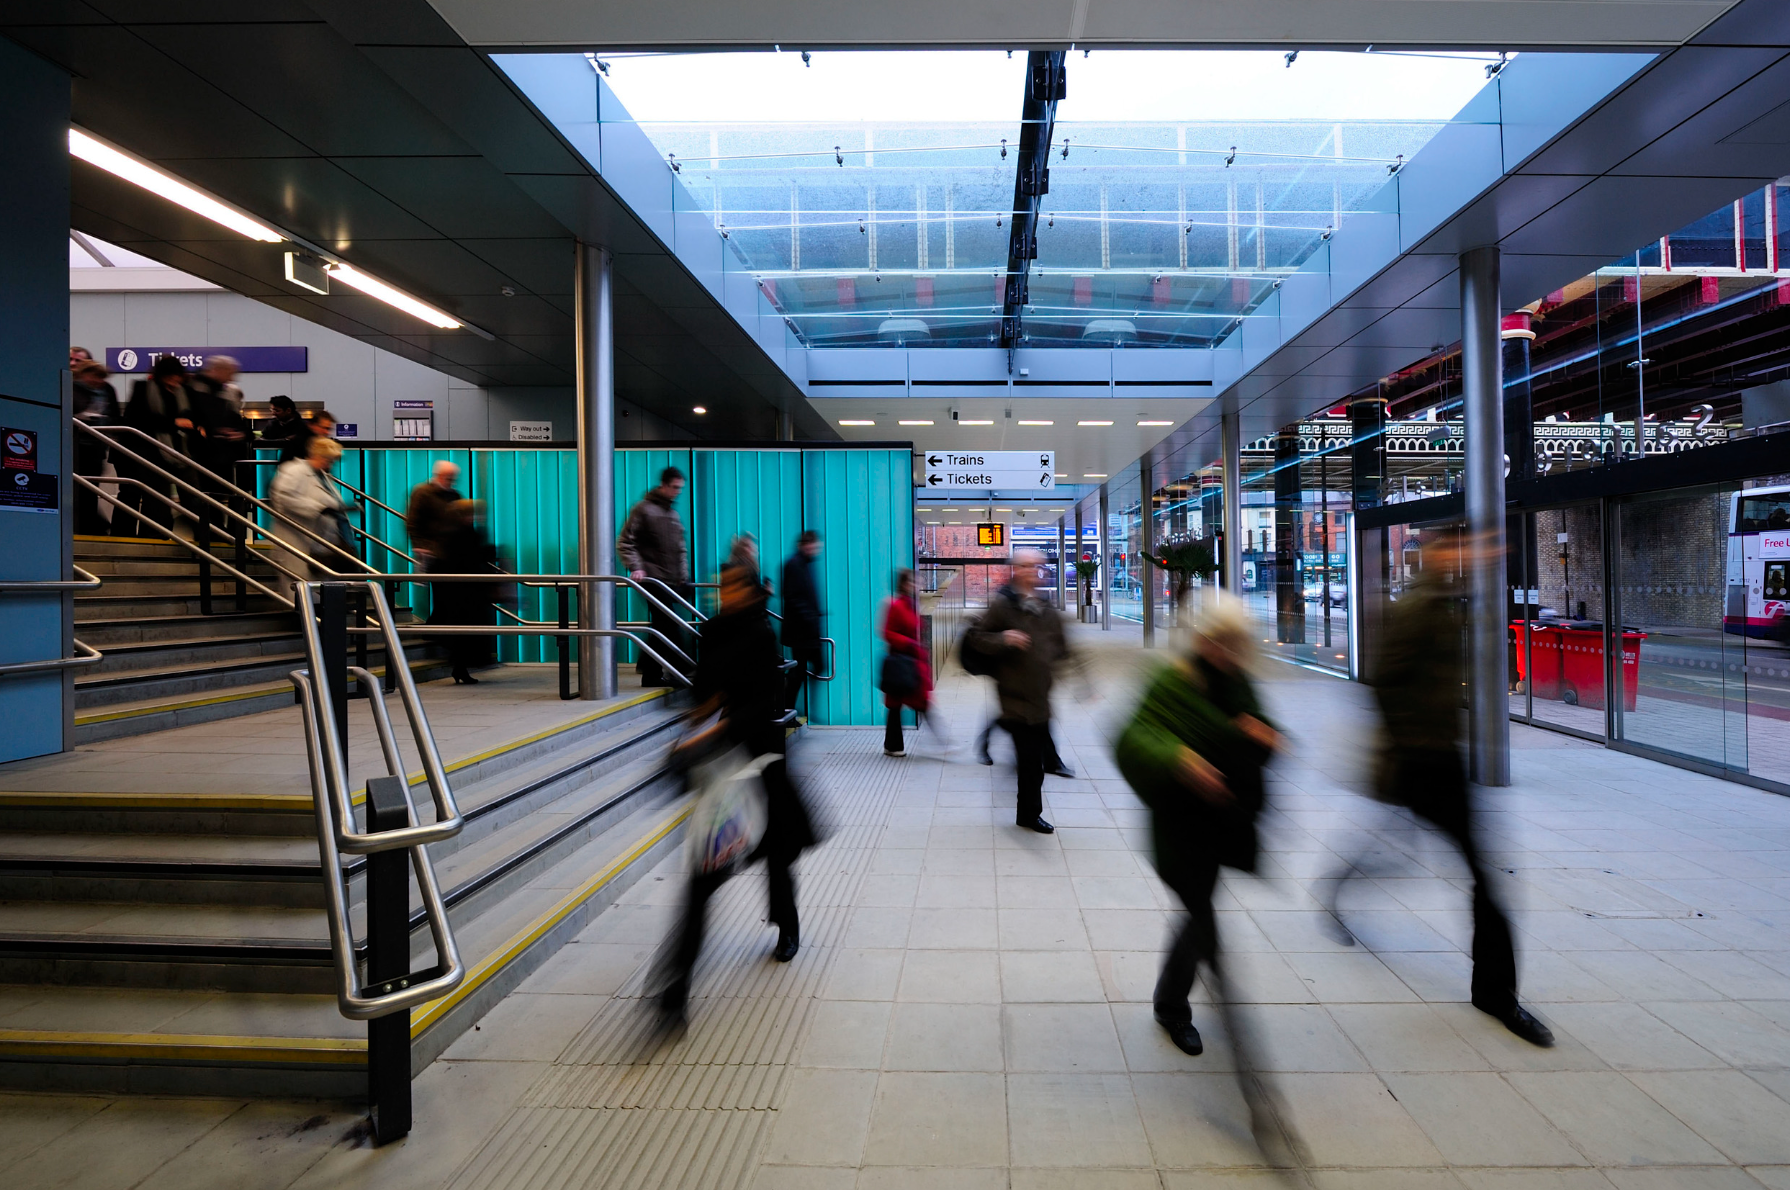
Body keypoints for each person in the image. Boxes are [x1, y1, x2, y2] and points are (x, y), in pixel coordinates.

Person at [1328, 533, 1554, 1048]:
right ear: (1439, 556)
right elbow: (1382, 682)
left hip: (1436, 761)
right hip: (1423, 762)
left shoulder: (1450, 603)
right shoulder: (1417, 609)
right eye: (1472, 548)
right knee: (1481, 875)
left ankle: (1337, 886)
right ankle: (1496, 996)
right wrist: (1412, 748)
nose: (1484, 556)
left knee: (1449, 863)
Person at [654, 561, 817, 1021]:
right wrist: (694, 725)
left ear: (750, 590)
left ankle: (787, 926)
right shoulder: (712, 631)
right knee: (702, 882)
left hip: (760, 765)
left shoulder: (764, 634)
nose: (723, 594)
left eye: (731, 586)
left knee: (777, 857)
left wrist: (711, 732)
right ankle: (674, 988)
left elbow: (764, 704)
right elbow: (704, 691)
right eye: (720, 586)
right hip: (722, 776)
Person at [1117, 595, 1278, 1057]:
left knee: (1198, 915)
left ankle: (1171, 1001)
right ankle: (1178, 1009)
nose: (1229, 651)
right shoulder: (1171, 682)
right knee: (1203, 921)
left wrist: (1263, 734)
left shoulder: (1236, 682)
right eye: (1221, 641)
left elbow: (1260, 725)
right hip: (1180, 826)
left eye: (1236, 642)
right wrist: (1178, 759)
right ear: (1203, 638)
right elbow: (1132, 739)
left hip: (1221, 823)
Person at [963, 547, 1069, 833]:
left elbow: (1062, 647)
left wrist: (1074, 675)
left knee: (1034, 759)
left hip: (1039, 696)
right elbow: (976, 638)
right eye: (1025, 566)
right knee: (1031, 761)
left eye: (1037, 566)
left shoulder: (1046, 608)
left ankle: (1028, 811)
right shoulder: (1002, 605)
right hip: (1014, 697)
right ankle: (1029, 814)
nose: (1032, 571)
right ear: (1015, 569)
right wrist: (1004, 638)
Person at [618, 466, 691, 687]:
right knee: (668, 623)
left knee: (661, 624)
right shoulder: (644, 509)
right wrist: (636, 567)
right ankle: (682, 669)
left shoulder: (672, 515)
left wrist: (683, 576)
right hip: (651, 578)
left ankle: (649, 670)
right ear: (664, 485)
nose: (678, 492)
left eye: (680, 488)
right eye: (675, 487)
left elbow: (680, 549)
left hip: (670, 580)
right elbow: (625, 541)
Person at [120, 355, 197, 529]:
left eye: (177, 376)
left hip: (181, 452)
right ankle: (157, 535)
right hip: (151, 452)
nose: (174, 380)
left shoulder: (185, 391)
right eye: (170, 376)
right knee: (157, 499)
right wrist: (174, 423)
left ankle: (201, 534)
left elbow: (194, 417)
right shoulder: (143, 389)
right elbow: (137, 420)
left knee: (193, 495)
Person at [428, 500, 500, 685]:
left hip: (457, 591)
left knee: (462, 633)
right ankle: (460, 668)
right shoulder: (462, 534)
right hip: (464, 592)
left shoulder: (448, 532)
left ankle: (460, 668)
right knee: (465, 631)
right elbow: (470, 557)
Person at [268, 435, 351, 583]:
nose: (330, 464)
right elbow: (282, 497)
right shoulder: (295, 470)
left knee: (316, 593)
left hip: (319, 545)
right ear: (318, 456)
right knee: (300, 592)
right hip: (297, 542)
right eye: (328, 460)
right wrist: (319, 509)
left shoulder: (322, 476)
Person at [186, 355, 251, 534]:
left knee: (219, 495)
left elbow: (241, 425)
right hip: (206, 455)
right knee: (209, 495)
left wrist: (240, 433)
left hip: (221, 456)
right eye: (230, 373)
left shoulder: (219, 391)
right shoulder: (196, 390)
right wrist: (217, 432)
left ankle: (218, 531)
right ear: (218, 370)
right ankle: (211, 531)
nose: (231, 379)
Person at [879, 568, 936, 757]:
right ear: (903, 584)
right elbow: (887, 633)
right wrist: (909, 643)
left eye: (916, 581)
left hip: (910, 662)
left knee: (911, 704)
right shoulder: (896, 605)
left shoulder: (911, 604)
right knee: (901, 705)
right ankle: (939, 742)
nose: (916, 585)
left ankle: (893, 745)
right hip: (902, 663)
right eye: (912, 582)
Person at [72, 360, 120, 535]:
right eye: (94, 376)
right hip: (77, 447)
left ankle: (93, 527)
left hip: (96, 447)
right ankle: (92, 527)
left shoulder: (107, 390)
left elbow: (114, 414)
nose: (97, 381)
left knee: (91, 488)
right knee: (79, 490)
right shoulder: (72, 388)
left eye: (101, 378)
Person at [779, 531, 823, 712]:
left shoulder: (803, 564)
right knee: (799, 673)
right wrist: (810, 616)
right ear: (807, 545)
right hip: (801, 632)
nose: (817, 549)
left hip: (807, 631)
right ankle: (785, 708)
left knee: (804, 670)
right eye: (815, 546)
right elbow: (792, 597)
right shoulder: (795, 565)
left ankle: (786, 708)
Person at [405, 460, 464, 569]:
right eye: (450, 478)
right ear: (440, 476)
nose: (452, 482)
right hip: (430, 551)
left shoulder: (454, 495)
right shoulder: (422, 493)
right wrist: (419, 545)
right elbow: (413, 521)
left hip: (449, 550)